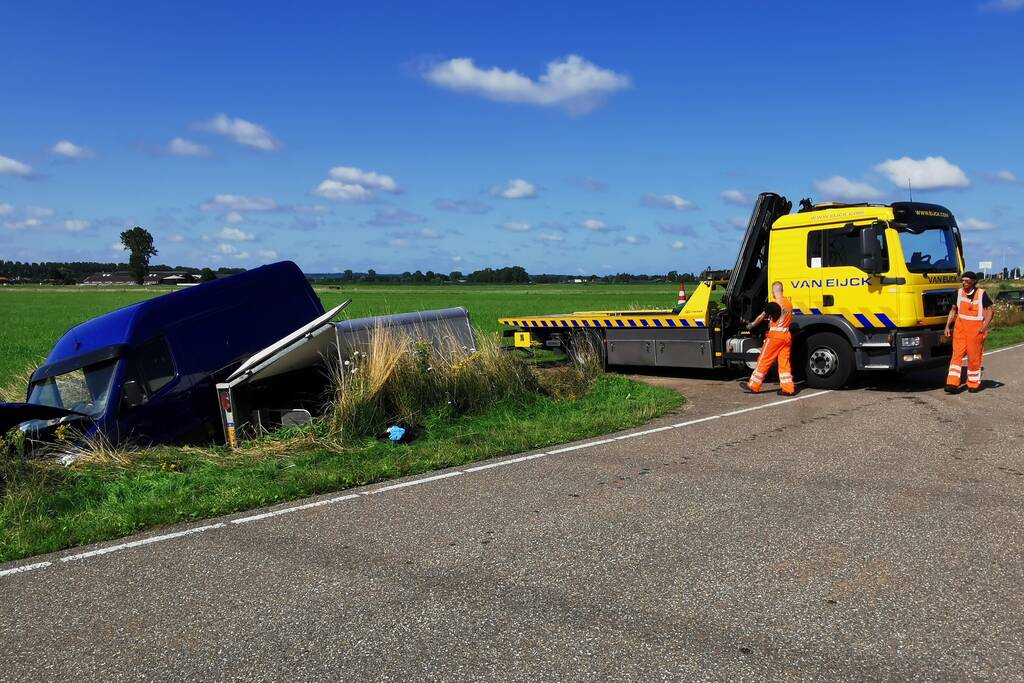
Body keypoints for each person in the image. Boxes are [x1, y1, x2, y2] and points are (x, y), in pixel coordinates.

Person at [944, 271, 993, 393]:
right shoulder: (958, 293)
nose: (964, 283)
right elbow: (953, 310)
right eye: (963, 280)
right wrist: (947, 326)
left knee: (974, 357)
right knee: (956, 355)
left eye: (967, 281)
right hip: (960, 329)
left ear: (973, 281)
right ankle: (952, 383)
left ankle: (973, 383)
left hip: (975, 330)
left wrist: (984, 326)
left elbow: (990, 311)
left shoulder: (981, 294)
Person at [743, 281, 795, 395]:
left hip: (775, 337)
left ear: (773, 291)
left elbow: (761, 317)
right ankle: (788, 388)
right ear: (782, 290)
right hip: (786, 336)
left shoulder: (773, 304)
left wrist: (751, 325)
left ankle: (753, 385)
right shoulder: (789, 304)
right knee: (784, 362)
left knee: (764, 360)